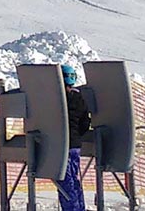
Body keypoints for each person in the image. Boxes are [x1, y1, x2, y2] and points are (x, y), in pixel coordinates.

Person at [58, 64, 92, 211]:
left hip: (59, 145)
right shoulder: (78, 97)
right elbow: (85, 122)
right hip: (75, 145)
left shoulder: (54, 98)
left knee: (65, 183)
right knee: (74, 180)